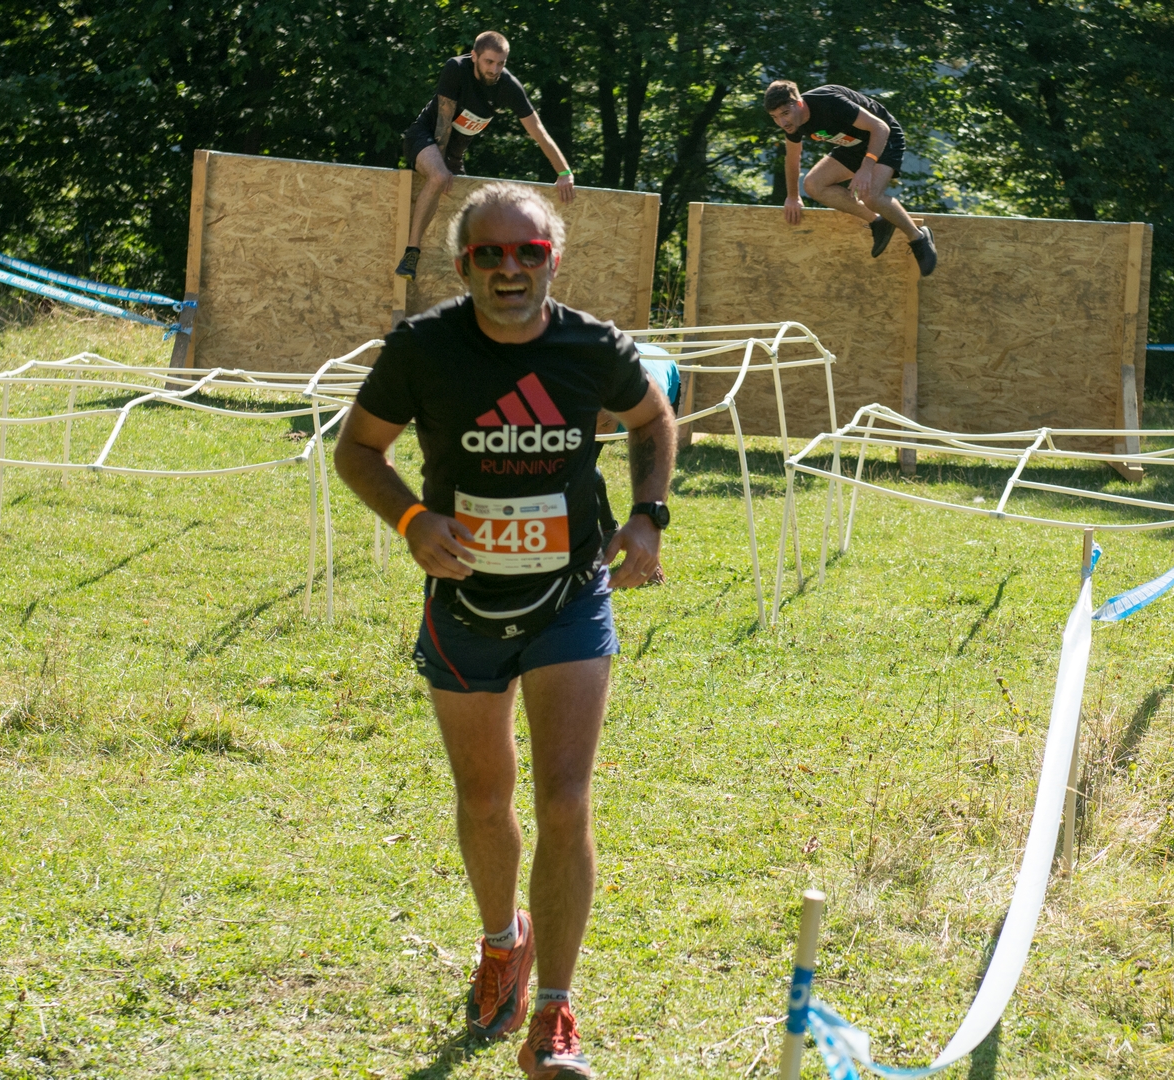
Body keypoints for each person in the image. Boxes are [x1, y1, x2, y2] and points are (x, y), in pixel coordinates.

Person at [336, 182, 676, 1079]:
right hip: (465, 607)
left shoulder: (591, 347)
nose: (511, 268)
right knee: (485, 799)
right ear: (463, 266)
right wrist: (413, 520)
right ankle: (501, 943)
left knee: (565, 800)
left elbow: (652, 418)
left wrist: (648, 516)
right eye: (490, 253)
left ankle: (555, 1013)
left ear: (553, 259)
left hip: (570, 597)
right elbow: (357, 449)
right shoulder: (423, 348)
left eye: (529, 252)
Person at [396, 31, 577, 281]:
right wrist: (442, 167)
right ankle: (411, 254)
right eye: (488, 62)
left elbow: (538, 131)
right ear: (474, 56)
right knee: (438, 177)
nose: (494, 69)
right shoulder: (455, 69)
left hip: (454, 157)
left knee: (475, 208)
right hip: (424, 138)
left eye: (500, 63)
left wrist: (564, 172)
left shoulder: (508, 86)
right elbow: (443, 124)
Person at [763, 80, 938, 277]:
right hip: (852, 146)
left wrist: (866, 168)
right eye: (775, 117)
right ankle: (879, 221)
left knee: (870, 195)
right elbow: (792, 158)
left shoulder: (829, 101)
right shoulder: (792, 124)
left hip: (883, 139)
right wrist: (793, 197)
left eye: (785, 113)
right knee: (813, 185)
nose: (782, 122)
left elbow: (880, 127)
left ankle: (918, 237)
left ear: (799, 104)